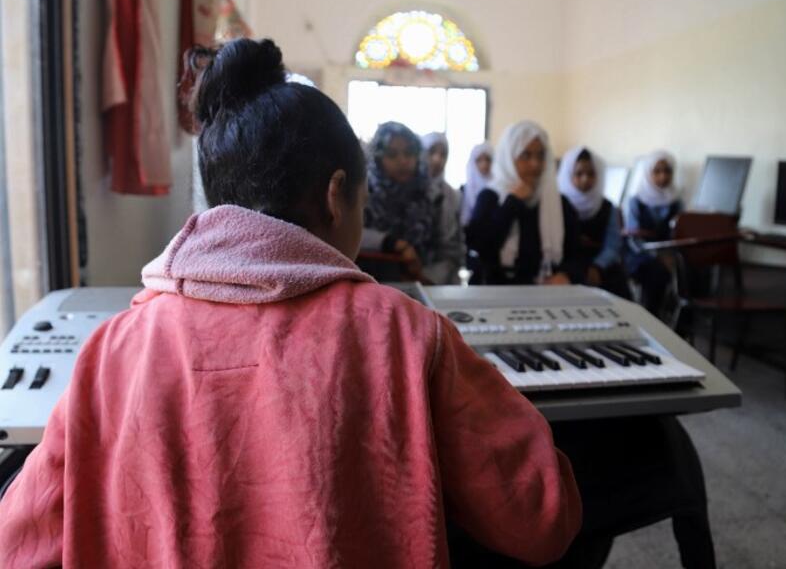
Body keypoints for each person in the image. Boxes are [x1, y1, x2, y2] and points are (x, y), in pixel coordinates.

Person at [0, 38, 581, 568]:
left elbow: (16, 545)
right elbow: (540, 517)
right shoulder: (405, 334)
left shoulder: (110, 351)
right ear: (336, 196)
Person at [465, 121, 585, 285]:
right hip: (493, 291)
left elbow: (576, 254)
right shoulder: (490, 197)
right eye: (525, 155)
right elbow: (481, 247)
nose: (535, 164)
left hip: (544, 292)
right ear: (509, 157)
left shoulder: (557, 203)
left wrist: (566, 274)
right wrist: (512, 202)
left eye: (540, 156)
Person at [359, 122, 434, 281]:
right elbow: (351, 233)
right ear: (378, 158)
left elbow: (447, 249)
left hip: (426, 286)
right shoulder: (363, 191)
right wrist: (392, 243)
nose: (402, 161)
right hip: (371, 284)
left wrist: (426, 278)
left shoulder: (429, 194)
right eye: (392, 154)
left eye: (409, 153)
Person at [557, 146, 631, 299]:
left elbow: (613, 244)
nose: (585, 179)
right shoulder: (559, 205)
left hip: (600, 263)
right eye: (579, 174)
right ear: (568, 175)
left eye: (591, 174)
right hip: (569, 263)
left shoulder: (607, 207)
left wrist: (597, 266)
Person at [624, 150, 683, 315]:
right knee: (655, 271)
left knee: (690, 271)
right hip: (640, 254)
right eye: (657, 171)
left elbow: (680, 234)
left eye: (667, 171)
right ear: (647, 173)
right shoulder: (636, 201)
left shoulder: (676, 201)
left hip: (669, 254)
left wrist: (671, 255)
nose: (663, 176)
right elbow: (634, 239)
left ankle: (681, 326)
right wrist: (658, 255)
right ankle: (651, 317)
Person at [421, 132, 464, 284]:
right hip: (410, 275)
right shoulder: (409, 190)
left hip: (444, 275)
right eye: (431, 152)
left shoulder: (452, 195)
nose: (437, 159)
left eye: (443, 154)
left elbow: (455, 242)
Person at [460, 141, 493, 226]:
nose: (484, 164)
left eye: (488, 159)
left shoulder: (499, 188)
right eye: (479, 160)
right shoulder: (463, 191)